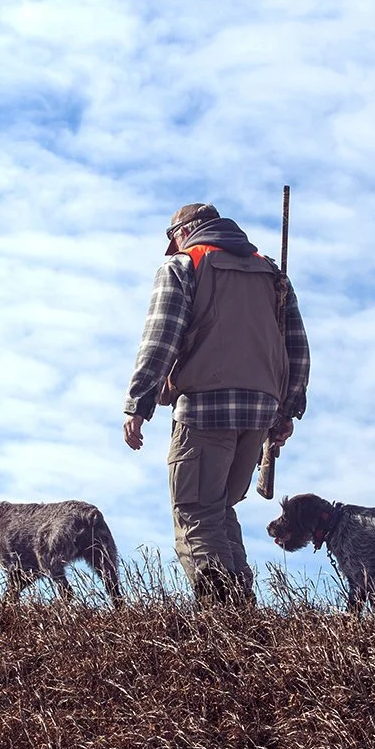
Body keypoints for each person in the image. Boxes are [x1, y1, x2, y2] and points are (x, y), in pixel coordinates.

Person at [122, 202, 310, 605]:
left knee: (194, 514)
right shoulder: (272, 274)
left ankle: (221, 617)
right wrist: (287, 410)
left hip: (205, 408)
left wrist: (138, 403)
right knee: (220, 510)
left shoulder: (185, 265)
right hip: (259, 414)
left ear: (186, 230)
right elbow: (297, 346)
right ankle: (243, 611)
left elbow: (160, 339)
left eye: (170, 236)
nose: (169, 247)